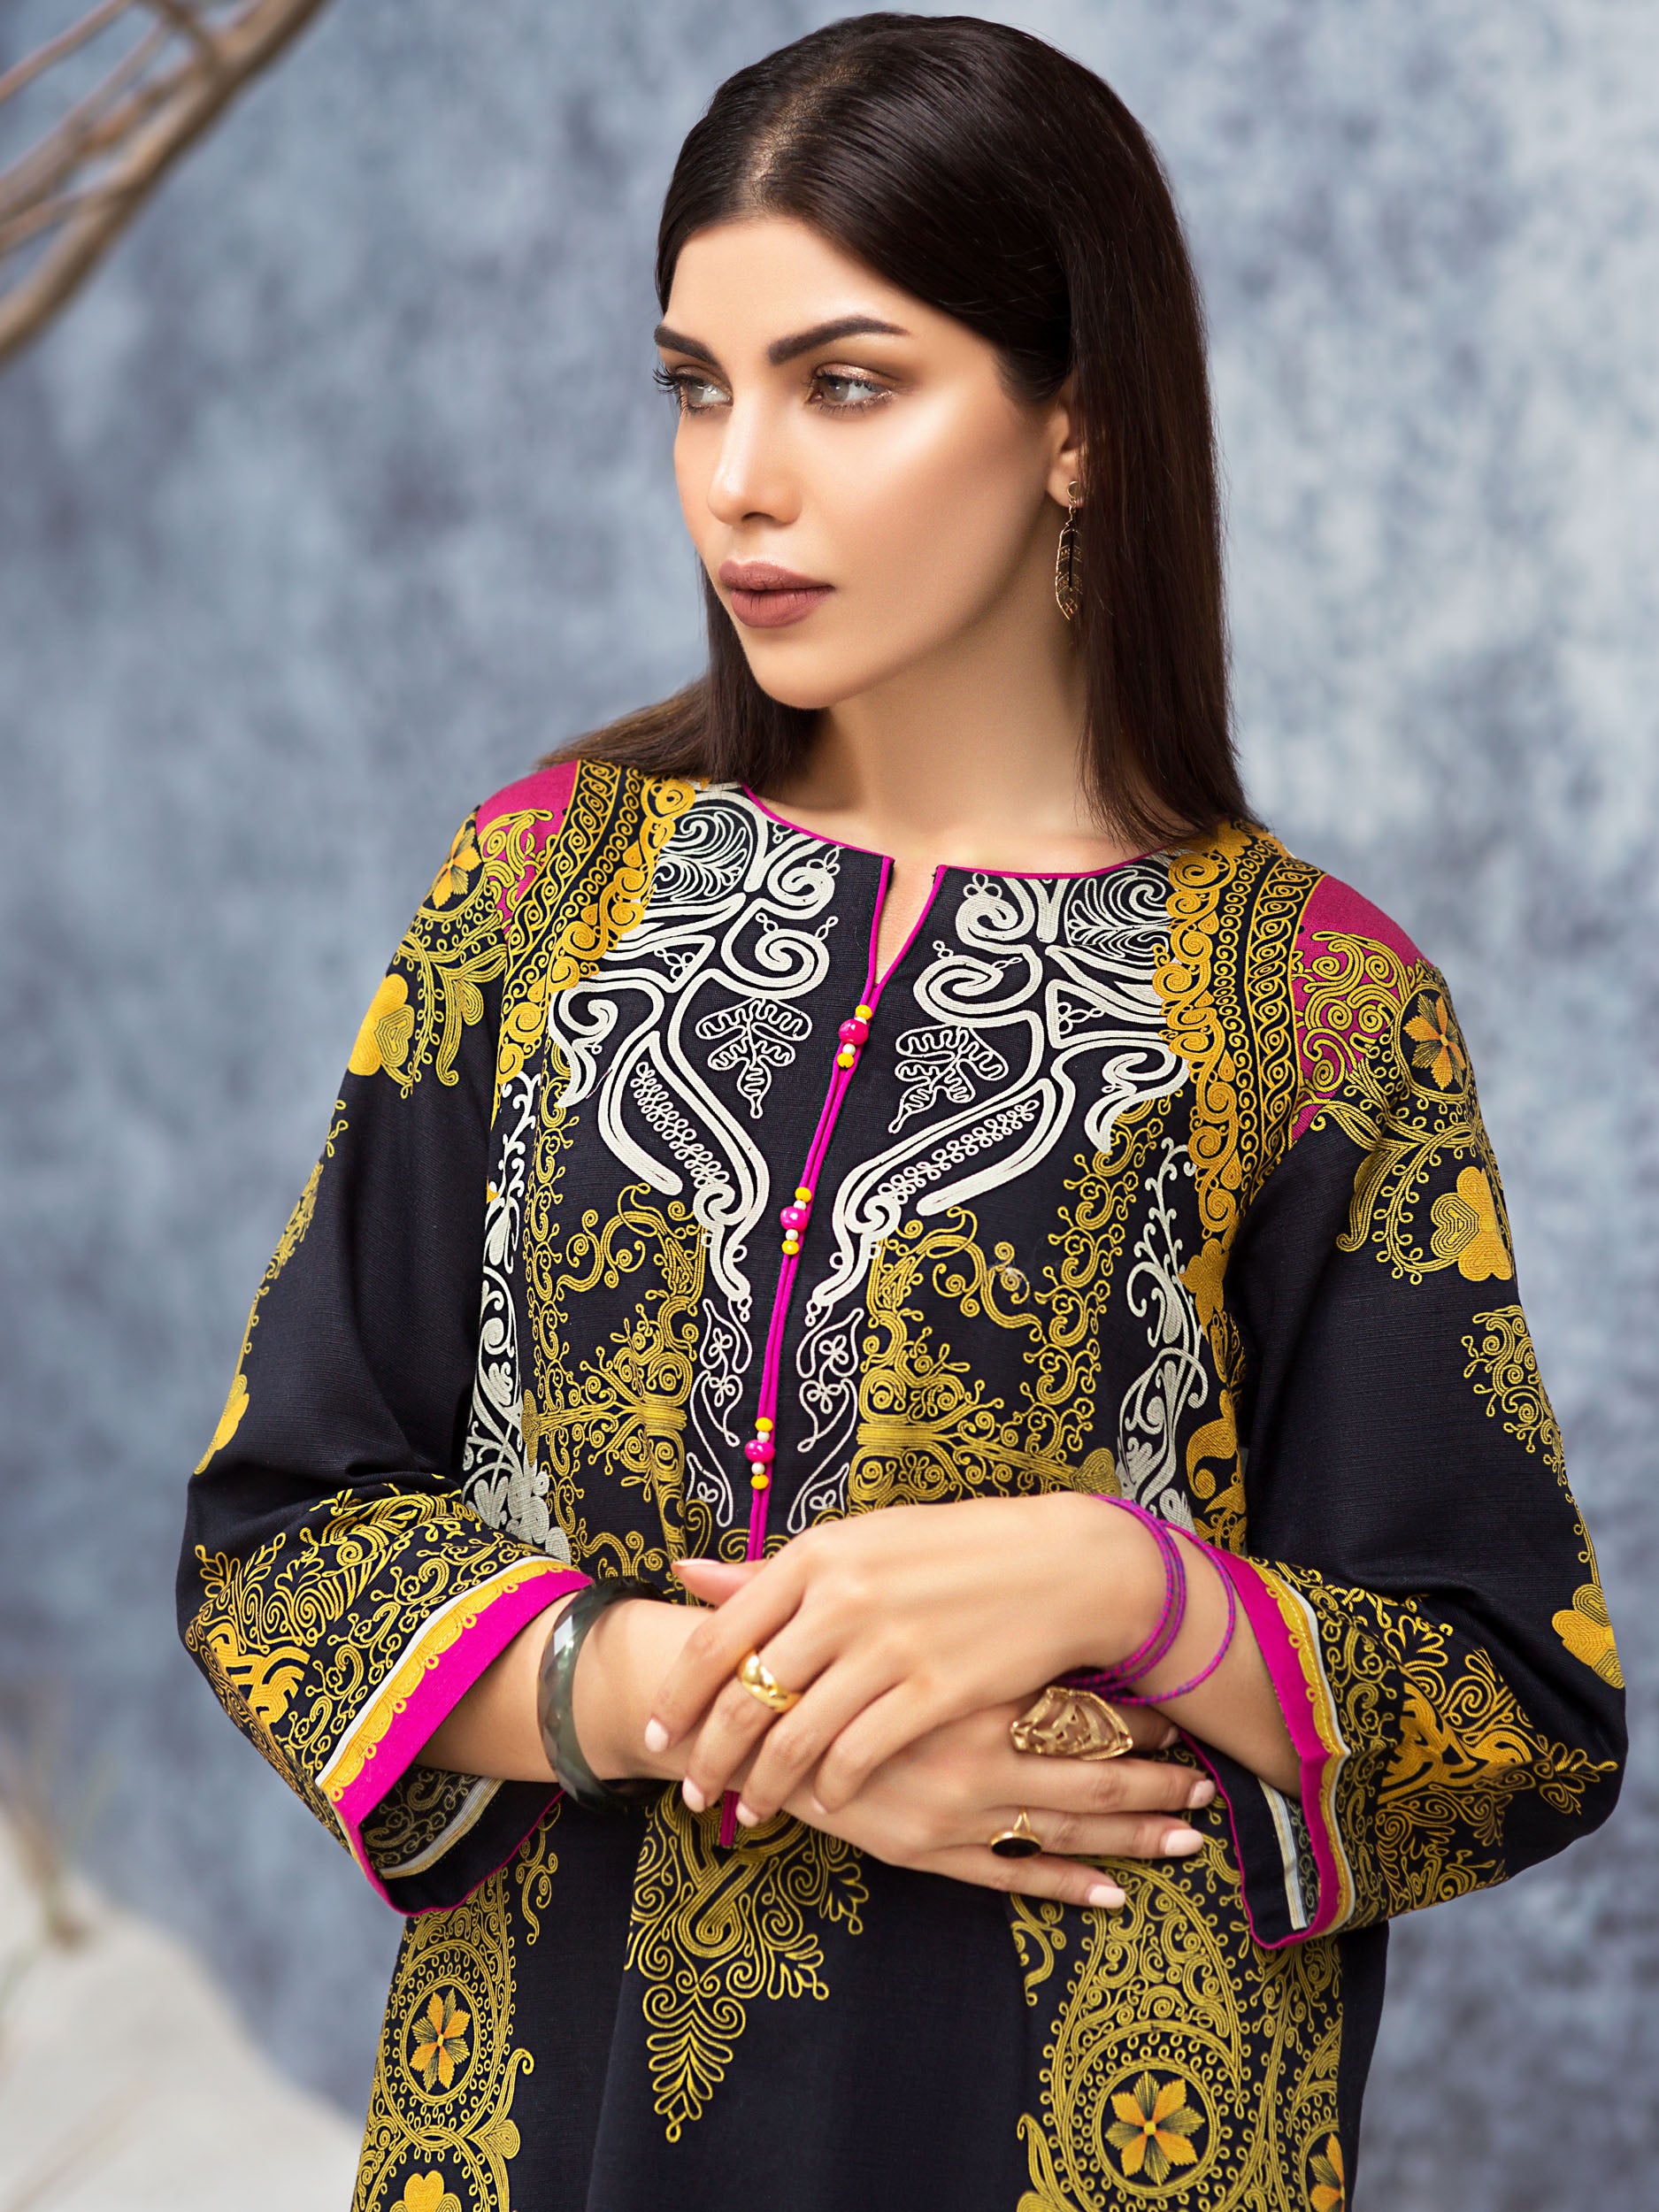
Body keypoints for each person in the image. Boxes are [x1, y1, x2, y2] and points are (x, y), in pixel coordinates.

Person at [177, 16, 1624, 2208]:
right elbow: (280, 1536)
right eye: (694, 385)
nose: (738, 478)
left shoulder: (1314, 1006)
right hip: (557, 2125)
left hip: (1091, 2138)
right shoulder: (543, 895)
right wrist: (706, 1699)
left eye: (843, 384)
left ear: (1077, 424)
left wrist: (1122, 1584)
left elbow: (1512, 1715)